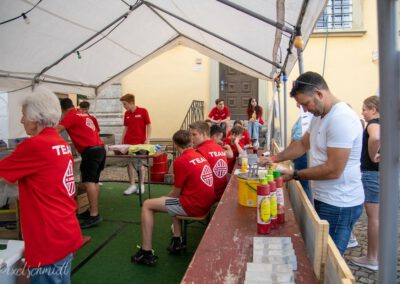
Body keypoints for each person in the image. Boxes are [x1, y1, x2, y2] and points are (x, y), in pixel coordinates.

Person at [258, 71, 364, 255]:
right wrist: (274, 159)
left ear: (319, 93)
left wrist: (296, 174)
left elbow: (333, 170)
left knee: (327, 259)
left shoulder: (341, 119)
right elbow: (302, 144)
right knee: (319, 253)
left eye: (305, 104)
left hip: (340, 202)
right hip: (326, 197)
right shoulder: (319, 116)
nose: (305, 110)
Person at [0, 88, 82, 283]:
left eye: (23, 116)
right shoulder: (60, 143)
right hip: (64, 231)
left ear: (36, 117)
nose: (21, 121)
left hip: (48, 239)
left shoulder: (35, 146)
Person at [132, 130, 215, 265]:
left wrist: (162, 198)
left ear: (175, 144)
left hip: (195, 206)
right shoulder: (199, 155)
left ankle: (146, 252)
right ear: (191, 142)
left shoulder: (181, 161)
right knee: (172, 202)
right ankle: (177, 240)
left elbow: (175, 193)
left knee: (148, 204)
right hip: (206, 202)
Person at [57, 98, 106, 229]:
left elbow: (56, 130)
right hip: (100, 149)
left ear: (63, 110)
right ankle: (92, 210)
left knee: (89, 183)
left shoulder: (70, 115)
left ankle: (94, 216)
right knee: (94, 182)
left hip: (90, 151)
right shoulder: (83, 114)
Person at [351, 96, 380, 271]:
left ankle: (372, 258)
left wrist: (372, 155)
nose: (362, 112)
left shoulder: (373, 124)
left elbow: (375, 138)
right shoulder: (387, 122)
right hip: (380, 175)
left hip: (371, 174)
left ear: (373, 109)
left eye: (364, 109)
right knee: (379, 217)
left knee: (374, 218)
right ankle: (376, 255)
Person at [119, 93, 152, 195]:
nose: (124, 107)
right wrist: (122, 139)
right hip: (128, 142)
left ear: (131, 102)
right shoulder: (127, 114)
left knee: (140, 164)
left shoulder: (143, 111)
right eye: (123, 104)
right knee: (129, 163)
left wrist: (148, 138)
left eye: (125, 104)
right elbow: (126, 127)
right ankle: (132, 185)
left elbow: (149, 125)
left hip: (140, 143)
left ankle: (141, 185)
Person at [190, 121, 228, 201]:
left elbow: (195, 179)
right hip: (222, 193)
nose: (191, 138)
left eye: (194, 134)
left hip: (208, 196)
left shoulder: (200, 151)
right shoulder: (219, 148)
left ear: (203, 134)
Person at [290, 103, 313, 202]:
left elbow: (297, 139)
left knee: (303, 186)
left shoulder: (306, 117)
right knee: (303, 185)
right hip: (301, 155)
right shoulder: (303, 116)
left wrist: (290, 154)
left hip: (302, 156)